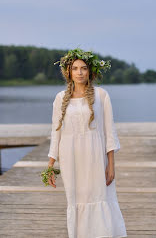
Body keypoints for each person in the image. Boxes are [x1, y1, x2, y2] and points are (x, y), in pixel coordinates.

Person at [47, 48, 127, 238]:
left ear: (90, 71)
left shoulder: (101, 96)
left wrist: (111, 165)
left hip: (95, 157)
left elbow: (109, 132)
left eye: (83, 68)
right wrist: (50, 165)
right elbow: (55, 133)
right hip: (71, 158)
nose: (80, 72)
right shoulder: (60, 98)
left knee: (99, 197)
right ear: (69, 72)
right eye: (75, 68)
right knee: (76, 200)